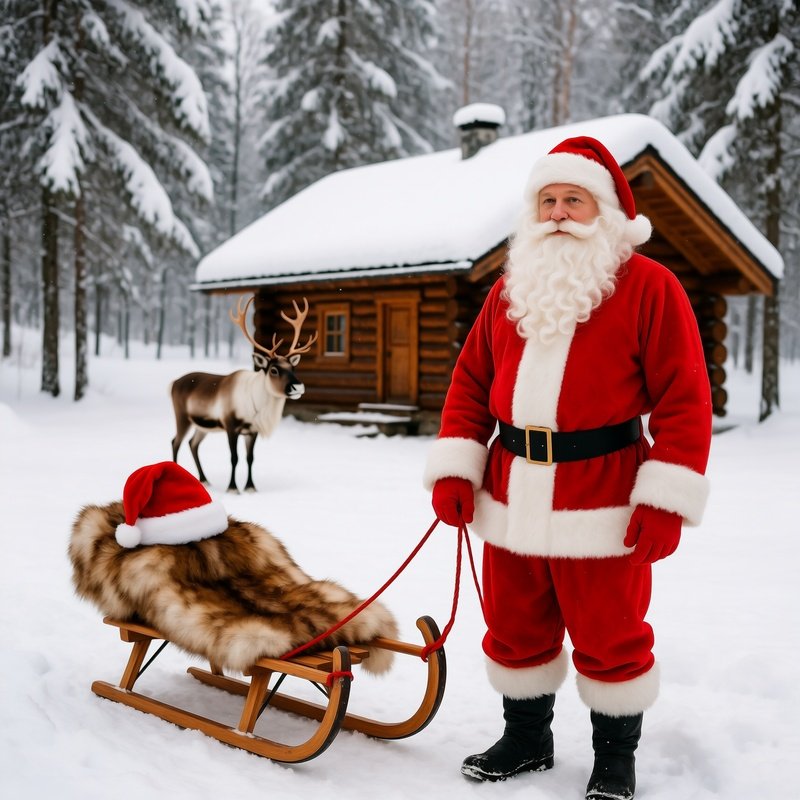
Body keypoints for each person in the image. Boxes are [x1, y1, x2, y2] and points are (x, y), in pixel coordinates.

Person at [423, 136, 712, 800]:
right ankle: (527, 740)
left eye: (572, 199)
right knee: (515, 623)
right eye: (547, 199)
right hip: (512, 487)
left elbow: (685, 398)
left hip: (604, 492)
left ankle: (614, 757)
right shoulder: (508, 290)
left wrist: (666, 496)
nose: (557, 211)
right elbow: (470, 385)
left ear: (604, 210)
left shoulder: (651, 287)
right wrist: (455, 469)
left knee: (611, 632)